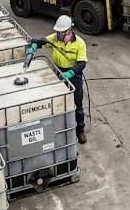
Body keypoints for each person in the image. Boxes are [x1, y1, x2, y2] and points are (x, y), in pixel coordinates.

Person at [26, 15, 89, 144]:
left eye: (61, 32)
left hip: (74, 75)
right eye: (57, 32)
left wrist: (71, 72)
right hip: (59, 73)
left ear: (69, 31)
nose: (58, 34)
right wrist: (33, 46)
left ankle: (80, 129)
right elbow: (40, 41)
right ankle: (61, 128)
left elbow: (82, 63)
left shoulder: (79, 43)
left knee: (77, 104)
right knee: (59, 103)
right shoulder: (54, 40)